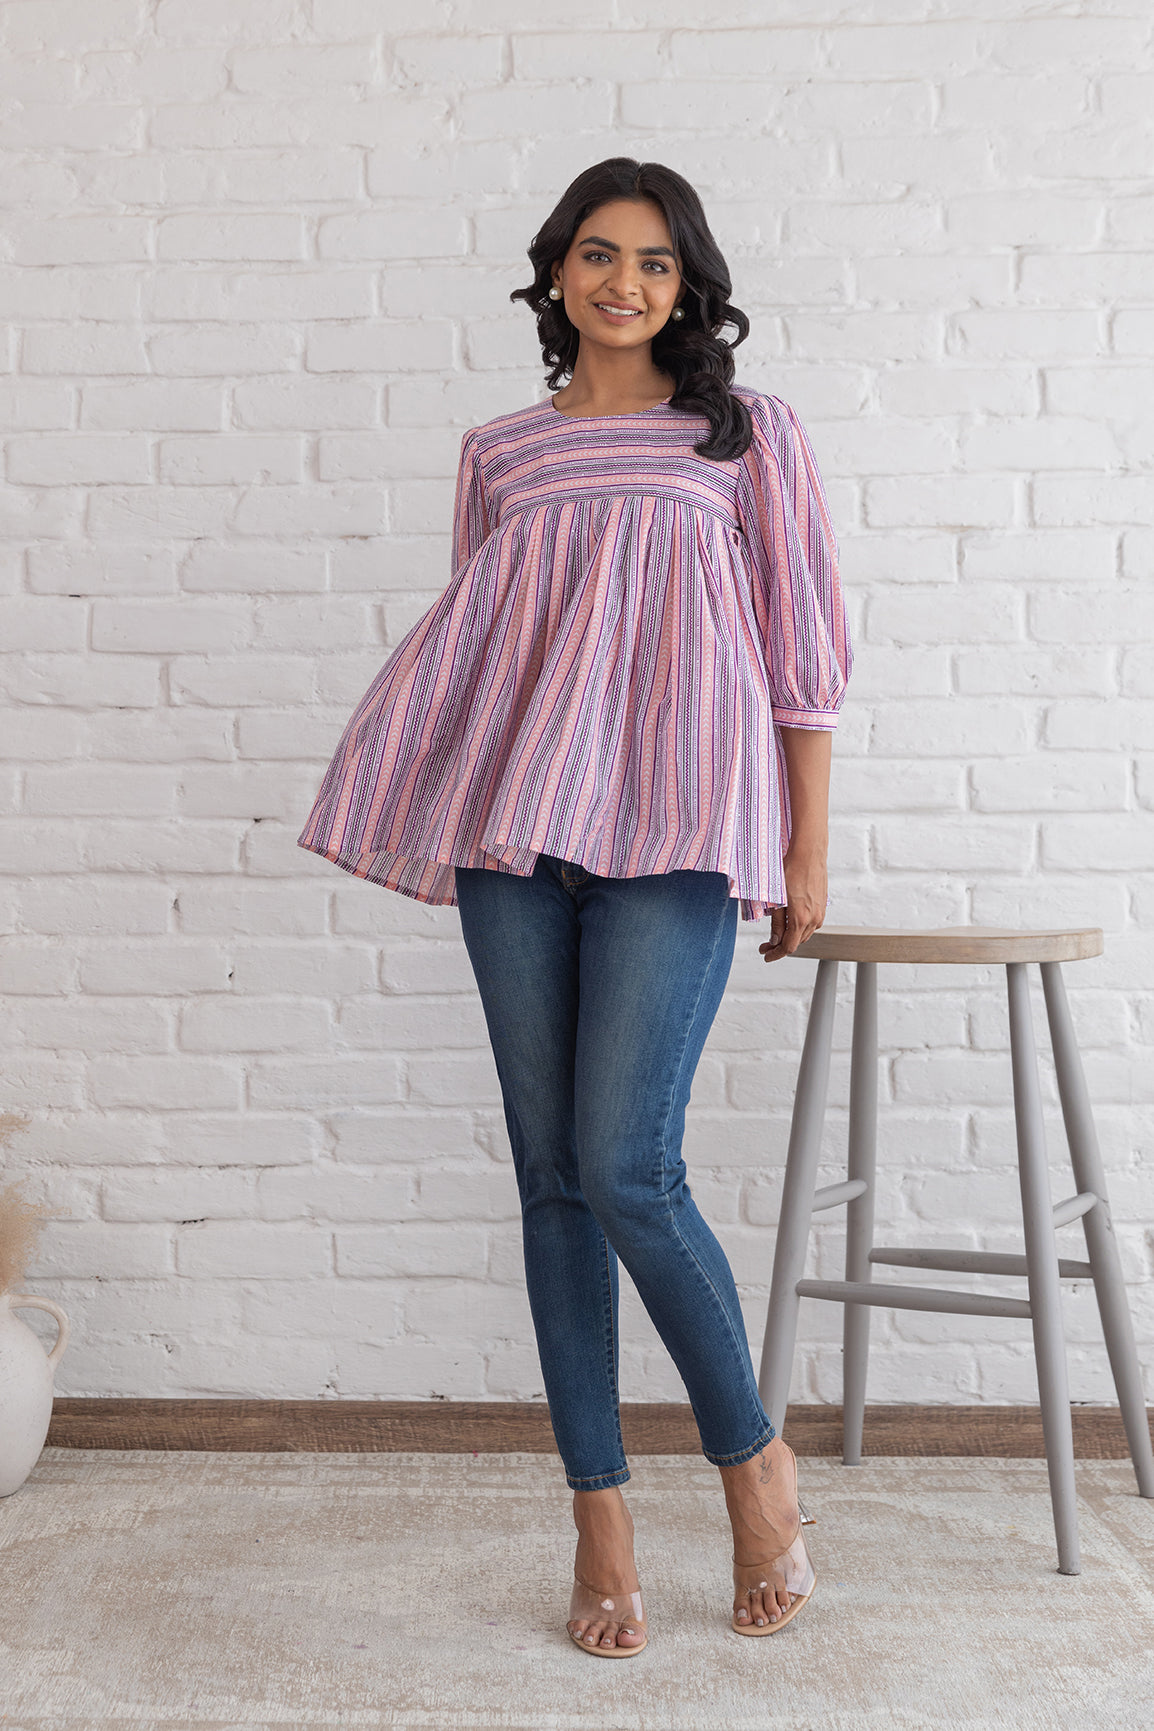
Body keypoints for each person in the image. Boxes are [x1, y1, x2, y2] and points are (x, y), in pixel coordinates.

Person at [297, 157, 852, 1656]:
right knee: (551, 1179)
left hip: (678, 831)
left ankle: (752, 1464)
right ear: (556, 275)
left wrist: (804, 854)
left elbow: (802, 658)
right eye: (597, 256)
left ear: (688, 287)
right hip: (514, 840)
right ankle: (597, 1513)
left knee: (626, 1165)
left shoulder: (746, 439)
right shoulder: (499, 453)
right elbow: (497, 647)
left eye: (655, 263)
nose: (624, 282)